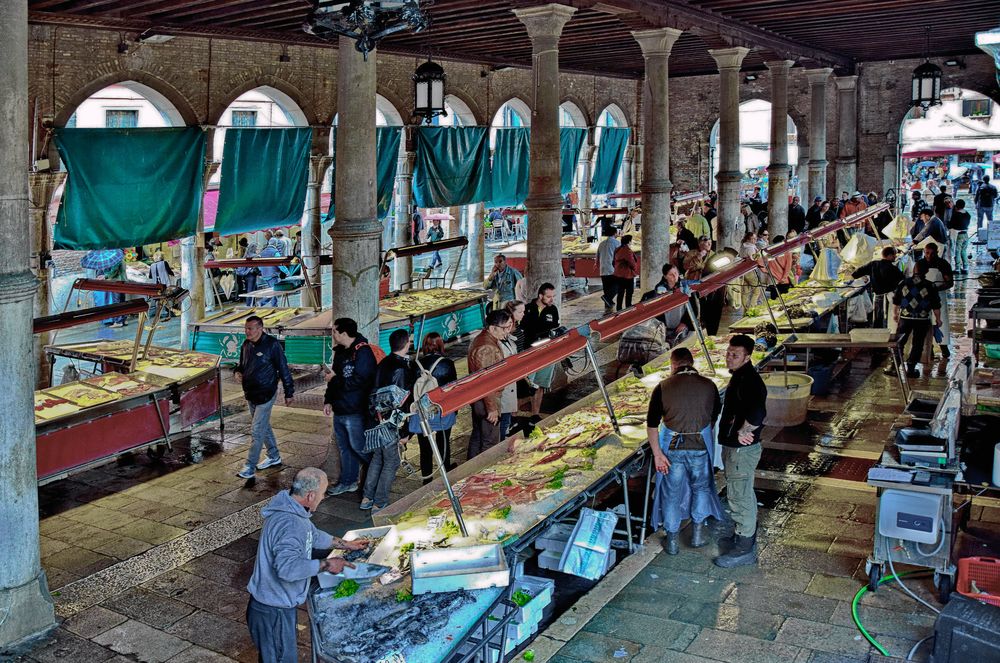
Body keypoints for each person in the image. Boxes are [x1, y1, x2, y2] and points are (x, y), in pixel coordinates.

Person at [247, 467, 369, 663]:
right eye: (322, 494)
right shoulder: (291, 524)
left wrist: (346, 544)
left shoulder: (292, 508)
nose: (322, 498)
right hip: (273, 611)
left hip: (272, 607)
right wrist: (327, 564)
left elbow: (312, 536)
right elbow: (288, 569)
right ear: (311, 496)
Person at [647, 347, 724, 555]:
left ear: (673, 365)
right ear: (692, 363)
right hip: (700, 448)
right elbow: (713, 416)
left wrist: (657, 454)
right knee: (701, 488)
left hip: (672, 451)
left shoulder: (662, 387)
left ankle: (672, 541)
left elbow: (652, 425)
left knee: (671, 493)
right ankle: (697, 536)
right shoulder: (709, 385)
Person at [714, 334, 767, 569]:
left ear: (747, 357)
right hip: (734, 449)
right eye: (728, 353)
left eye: (735, 355)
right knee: (742, 490)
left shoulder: (751, 381)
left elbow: (758, 413)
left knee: (739, 495)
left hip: (741, 452)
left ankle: (745, 547)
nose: (729, 358)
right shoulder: (739, 376)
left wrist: (745, 429)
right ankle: (742, 535)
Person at [235, 316, 295, 479]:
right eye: (246, 328)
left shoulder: (272, 345)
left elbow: (283, 368)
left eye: (251, 328)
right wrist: (237, 372)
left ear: (260, 328)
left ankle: (249, 466)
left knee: (257, 430)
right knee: (262, 426)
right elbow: (241, 364)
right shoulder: (246, 344)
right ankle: (274, 456)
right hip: (250, 392)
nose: (247, 332)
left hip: (266, 393)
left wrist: (289, 392)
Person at [323, 318, 378, 496]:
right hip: (340, 408)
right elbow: (334, 378)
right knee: (344, 447)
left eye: (335, 332)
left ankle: (378, 473)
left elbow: (359, 382)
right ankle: (348, 481)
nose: (333, 335)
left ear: (344, 334)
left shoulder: (363, 353)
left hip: (355, 410)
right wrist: (328, 400)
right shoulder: (340, 352)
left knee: (358, 447)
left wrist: (335, 380)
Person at [363, 329, 414, 511]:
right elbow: (401, 402)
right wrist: (406, 431)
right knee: (391, 462)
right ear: (406, 343)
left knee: (378, 458)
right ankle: (379, 501)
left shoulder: (383, 363)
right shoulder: (401, 368)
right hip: (392, 423)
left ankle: (367, 497)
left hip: (377, 420)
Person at [409, 333, 457, 484]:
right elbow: (453, 388)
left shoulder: (415, 364)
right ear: (441, 345)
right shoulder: (447, 363)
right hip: (441, 409)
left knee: (425, 447)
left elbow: (411, 390)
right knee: (443, 441)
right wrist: (454, 409)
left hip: (422, 411)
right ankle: (445, 470)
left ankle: (427, 478)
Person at [467, 309, 511, 459]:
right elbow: (485, 380)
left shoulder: (485, 339)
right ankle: (484, 475)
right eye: (505, 328)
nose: (507, 332)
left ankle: (470, 470)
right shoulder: (486, 347)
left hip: (479, 399)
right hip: (486, 401)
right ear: (493, 328)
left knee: (478, 437)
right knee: (490, 442)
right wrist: (491, 408)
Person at [893, 260, 943, 378]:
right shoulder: (930, 285)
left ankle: (894, 366)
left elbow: (896, 301)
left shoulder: (903, 283)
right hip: (922, 319)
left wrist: (895, 314)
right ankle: (911, 368)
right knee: (918, 343)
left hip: (905, 318)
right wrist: (938, 319)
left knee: (899, 342)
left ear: (914, 270)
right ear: (926, 271)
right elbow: (936, 305)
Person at [522, 283, 561, 418]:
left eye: (553, 296)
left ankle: (535, 414)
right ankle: (513, 417)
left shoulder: (553, 310)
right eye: (549, 297)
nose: (552, 299)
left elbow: (555, 328)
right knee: (526, 387)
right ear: (540, 296)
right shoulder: (527, 309)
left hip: (546, 352)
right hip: (529, 353)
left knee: (540, 384)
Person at [914, 242, 954, 359]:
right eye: (927, 253)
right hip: (923, 297)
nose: (929, 256)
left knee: (941, 322)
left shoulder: (943, 264)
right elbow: (916, 281)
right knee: (925, 323)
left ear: (937, 252)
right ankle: (929, 347)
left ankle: (944, 348)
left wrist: (936, 288)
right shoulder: (919, 264)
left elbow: (950, 283)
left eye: (932, 253)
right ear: (924, 252)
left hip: (939, 296)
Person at [852, 246, 903, 328]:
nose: (895, 256)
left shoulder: (873, 264)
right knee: (889, 321)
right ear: (889, 256)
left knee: (878, 319)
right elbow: (903, 281)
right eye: (894, 255)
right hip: (890, 297)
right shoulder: (893, 269)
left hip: (877, 296)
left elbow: (856, 273)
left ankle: (878, 335)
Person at [612, 234, 639, 311]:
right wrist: (634, 269)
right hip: (627, 275)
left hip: (618, 274)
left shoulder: (618, 249)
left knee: (620, 292)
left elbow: (613, 262)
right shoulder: (627, 251)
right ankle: (628, 307)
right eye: (631, 240)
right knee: (629, 292)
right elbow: (632, 262)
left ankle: (619, 308)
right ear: (629, 241)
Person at [597, 226, 620, 311]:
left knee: (606, 287)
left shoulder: (601, 243)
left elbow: (597, 256)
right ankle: (607, 298)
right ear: (614, 233)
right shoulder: (617, 243)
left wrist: (596, 264)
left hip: (603, 268)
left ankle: (608, 302)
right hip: (613, 268)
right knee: (619, 284)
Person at [147, 251, 174, 321]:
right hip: (164, 284)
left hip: (156, 285)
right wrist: (173, 273)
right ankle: (167, 312)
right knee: (167, 297)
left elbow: (150, 276)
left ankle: (160, 312)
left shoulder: (152, 265)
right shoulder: (164, 263)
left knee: (158, 298)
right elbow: (169, 271)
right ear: (162, 257)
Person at [257, 238, 283, 307]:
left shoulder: (262, 252)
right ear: (275, 244)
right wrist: (287, 272)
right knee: (274, 292)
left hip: (265, 275)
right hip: (273, 275)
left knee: (272, 291)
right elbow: (280, 264)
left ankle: (264, 303)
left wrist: (262, 271)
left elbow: (259, 265)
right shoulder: (275, 252)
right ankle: (270, 305)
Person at [950, 199, 971, 274]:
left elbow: (951, 225)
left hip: (958, 234)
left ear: (957, 206)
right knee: (964, 251)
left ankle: (957, 269)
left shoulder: (956, 214)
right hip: (966, 234)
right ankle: (965, 267)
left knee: (957, 251)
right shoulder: (967, 214)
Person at [974, 174, 998, 239]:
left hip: (981, 205)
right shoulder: (993, 187)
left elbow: (976, 196)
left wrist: (975, 203)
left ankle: (979, 233)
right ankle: (991, 232)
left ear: (983, 179)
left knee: (980, 219)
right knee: (990, 220)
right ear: (989, 179)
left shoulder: (980, 187)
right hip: (990, 205)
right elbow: (996, 196)